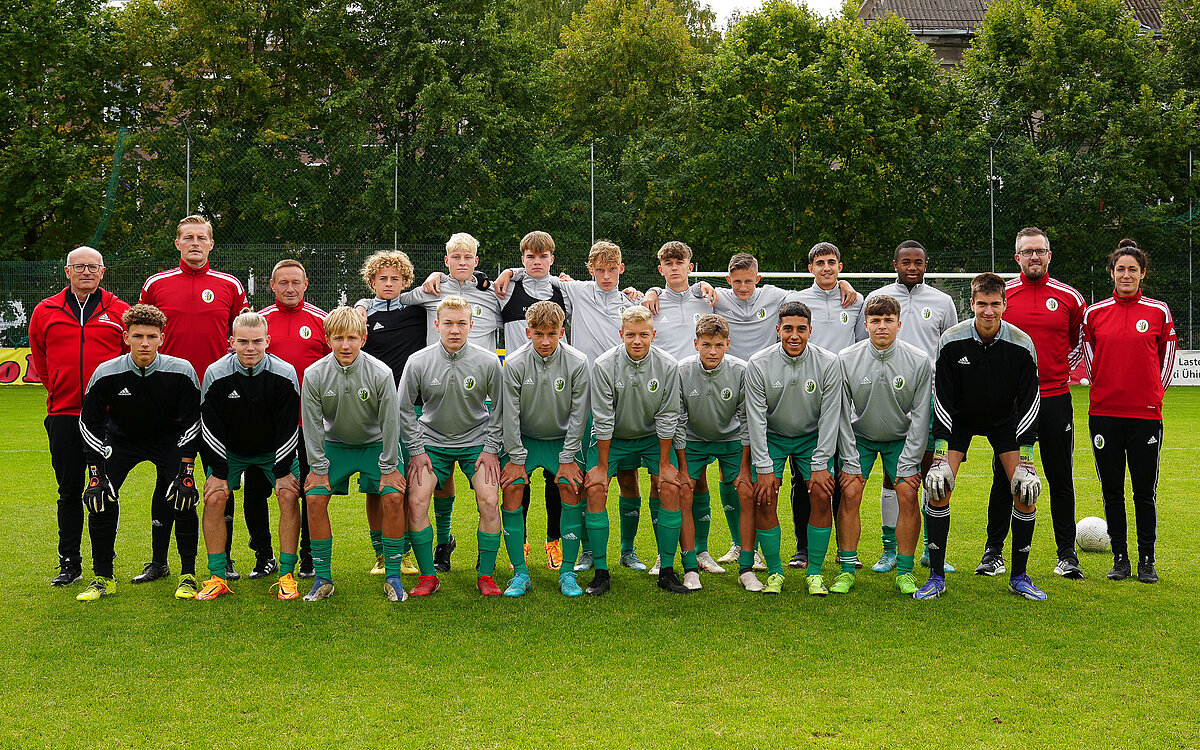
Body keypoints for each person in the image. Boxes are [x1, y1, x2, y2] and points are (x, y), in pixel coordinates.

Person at [918, 273, 1045, 601]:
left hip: (1005, 422)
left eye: (995, 304)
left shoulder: (1021, 344)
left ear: (1005, 304)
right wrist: (941, 455)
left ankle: (1019, 576)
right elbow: (942, 397)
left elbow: (1031, 399)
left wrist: (1027, 461)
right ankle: (936, 575)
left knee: (1025, 491)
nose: (988, 311)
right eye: (982, 304)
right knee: (938, 487)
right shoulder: (951, 340)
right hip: (959, 420)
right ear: (971, 304)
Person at [138, 215, 249, 583]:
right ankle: (159, 560)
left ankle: (226, 559)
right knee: (168, 478)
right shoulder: (156, 284)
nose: (195, 243)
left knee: (222, 480)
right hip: (171, 401)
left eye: (202, 237)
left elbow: (243, 337)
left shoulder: (230, 285)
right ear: (178, 243)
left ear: (212, 244)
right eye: (188, 238)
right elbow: (143, 334)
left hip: (220, 401)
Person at [976, 228, 1087, 580]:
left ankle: (1067, 554)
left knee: (1060, 476)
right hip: (1011, 406)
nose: (1034, 257)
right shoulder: (1003, 294)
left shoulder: (1070, 297)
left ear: (1049, 255)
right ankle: (993, 553)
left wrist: (1053, 374)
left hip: (1055, 400)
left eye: (1040, 251)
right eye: (1027, 252)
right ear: (1017, 258)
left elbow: (1075, 341)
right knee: (1003, 476)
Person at [76, 304, 202, 601]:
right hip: (120, 442)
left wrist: (186, 469)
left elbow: (192, 421)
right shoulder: (107, 372)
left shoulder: (182, 370)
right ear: (125, 337)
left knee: (183, 497)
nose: (144, 343)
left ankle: (186, 574)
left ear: (162, 338)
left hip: (168, 443)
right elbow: (89, 421)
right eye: (138, 336)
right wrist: (95, 473)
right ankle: (103, 577)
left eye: (151, 336)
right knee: (100, 498)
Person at [29, 246, 130, 587]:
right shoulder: (45, 311)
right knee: (69, 490)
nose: (86, 271)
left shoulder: (119, 311)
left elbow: (129, 359)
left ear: (103, 272)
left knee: (107, 489)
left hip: (108, 419)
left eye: (93, 266)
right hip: (64, 414)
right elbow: (41, 359)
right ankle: (69, 563)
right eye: (79, 266)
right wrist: (58, 388)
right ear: (67, 271)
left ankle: (105, 561)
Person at [406, 234, 502, 571]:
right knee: (430, 491)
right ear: (446, 260)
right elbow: (392, 298)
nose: (462, 262)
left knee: (489, 497)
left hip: (479, 415)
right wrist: (361, 306)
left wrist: (513, 273)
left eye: (468, 257)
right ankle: (440, 551)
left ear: (477, 260)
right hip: (436, 419)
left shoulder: (493, 295)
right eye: (455, 257)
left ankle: (486, 566)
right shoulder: (432, 291)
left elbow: (530, 306)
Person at [1082, 241, 1176, 584]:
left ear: (1142, 274)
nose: (1126, 274)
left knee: (1144, 492)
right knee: (1112, 490)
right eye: (1120, 269)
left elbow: (1166, 359)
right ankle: (1120, 559)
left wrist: (1152, 396)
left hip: (1145, 415)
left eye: (1132, 269)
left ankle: (1146, 560)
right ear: (1112, 272)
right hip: (1105, 414)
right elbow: (1090, 361)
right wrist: (1105, 391)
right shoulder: (1094, 314)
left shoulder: (1158, 312)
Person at [863, 240, 960, 574]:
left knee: (930, 473)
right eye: (906, 262)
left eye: (918, 262)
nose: (912, 267)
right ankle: (890, 550)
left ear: (926, 263)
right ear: (895, 264)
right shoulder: (879, 299)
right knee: (893, 478)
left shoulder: (943, 301)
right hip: (890, 399)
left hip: (931, 401)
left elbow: (950, 351)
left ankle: (931, 551)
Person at [398, 296, 504, 597]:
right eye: (448, 324)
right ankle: (428, 577)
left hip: (477, 443)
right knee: (417, 501)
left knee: (489, 500)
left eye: (461, 324)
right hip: (432, 442)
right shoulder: (418, 361)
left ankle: (486, 575)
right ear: (437, 325)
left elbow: (501, 408)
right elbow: (403, 407)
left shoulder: (487, 361)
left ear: (472, 325)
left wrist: (491, 447)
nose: (454, 330)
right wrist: (417, 450)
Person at [301, 307, 407, 602]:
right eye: (338, 338)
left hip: (375, 446)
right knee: (314, 497)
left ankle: (394, 576)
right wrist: (318, 467)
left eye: (351, 338)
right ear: (327, 339)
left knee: (394, 496)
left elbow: (390, 423)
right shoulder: (314, 374)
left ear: (364, 337)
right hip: (336, 446)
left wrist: (389, 467)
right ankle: (322, 578)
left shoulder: (380, 372)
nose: (345, 345)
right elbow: (311, 425)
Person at [196, 313, 304, 601]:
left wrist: (282, 471)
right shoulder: (216, 372)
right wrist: (218, 472)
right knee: (215, 496)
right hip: (230, 452)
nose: (250, 348)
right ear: (231, 342)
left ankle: (287, 575)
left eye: (257, 341)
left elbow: (288, 426)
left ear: (268, 341)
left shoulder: (285, 372)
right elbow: (210, 426)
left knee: (288, 494)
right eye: (242, 341)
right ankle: (217, 576)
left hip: (273, 451)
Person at [585, 305, 688, 595]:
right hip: (613, 438)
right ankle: (602, 572)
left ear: (653, 334)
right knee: (595, 489)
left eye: (644, 334)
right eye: (631, 335)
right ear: (621, 334)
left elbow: (669, 415)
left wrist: (666, 464)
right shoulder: (605, 364)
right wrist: (603, 468)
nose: (637, 341)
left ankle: (667, 570)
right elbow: (603, 419)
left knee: (668, 486)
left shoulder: (668, 365)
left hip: (651, 438)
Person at [834, 295, 932, 596]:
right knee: (849, 492)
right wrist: (849, 458)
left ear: (899, 324)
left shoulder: (919, 360)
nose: (881, 326)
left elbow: (921, 416)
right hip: (860, 438)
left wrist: (909, 459)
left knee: (906, 491)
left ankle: (904, 571)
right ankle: (847, 569)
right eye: (875, 321)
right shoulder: (846, 358)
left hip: (900, 440)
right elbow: (839, 412)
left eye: (888, 320)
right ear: (865, 324)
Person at [745, 301, 841, 595]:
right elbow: (756, 420)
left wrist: (821, 463)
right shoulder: (758, 363)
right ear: (778, 330)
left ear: (811, 330)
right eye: (788, 328)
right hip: (773, 437)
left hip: (811, 438)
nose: (794, 335)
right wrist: (763, 469)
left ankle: (814, 573)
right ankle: (774, 572)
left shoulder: (829, 362)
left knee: (822, 495)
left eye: (801, 329)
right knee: (764, 496)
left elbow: (830, 416)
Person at [499, 301, 590, 597]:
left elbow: (579, 415)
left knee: (569, 486)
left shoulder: (577, 361)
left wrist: (567, 458)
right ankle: (520, 574)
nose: (546, 341)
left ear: (562, 331)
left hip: (562, 442)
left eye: (552, 333)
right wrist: (514, 458)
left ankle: (567, 574)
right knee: (512, 488)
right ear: (528, 332)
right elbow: (509, 415)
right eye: (539, 334)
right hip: (524, 440)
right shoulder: (513, 363)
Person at [244, 260, 329, 580]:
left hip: (308, 424)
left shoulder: (321, 320)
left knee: (310, 489)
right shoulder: (258, 322)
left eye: (296, 282)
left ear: (306, 284)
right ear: (272, 285)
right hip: (262, 425)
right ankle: (263, 555)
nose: (290, 288)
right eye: (283, 283)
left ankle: (307, 555)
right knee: (256, 491)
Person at [784, 242, 867, 571]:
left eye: (832, 262)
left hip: (841, 399)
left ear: (840, 266)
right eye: (820, 263)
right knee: (803, 479)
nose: (826, 268)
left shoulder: (856, 300)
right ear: (810, 269)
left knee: (838, 476)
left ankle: (845, 549)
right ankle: (802, 548)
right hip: (804, 398)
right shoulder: (798, 301)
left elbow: (861, 345)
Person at [496, 231, 570, 574]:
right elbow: (469, 283)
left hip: (556, 394)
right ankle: (520, 540)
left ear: (552, 259)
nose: (536, 261)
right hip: (517, 390)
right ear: (522, 258)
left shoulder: (565, 289)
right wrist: (508, 272)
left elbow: (607, 290)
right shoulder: (506, 288)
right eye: (529, 256)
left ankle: (553, 541)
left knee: (557, 480)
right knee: (517, 477)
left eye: (542, 256)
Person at [354, 250, 427, 578]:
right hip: (374, 410)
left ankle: (406, 552)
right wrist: (360, 306)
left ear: (405, 282)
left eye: (395, 279)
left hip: (412, 409)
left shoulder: (419, 309)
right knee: (375, 485)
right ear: (371, 282)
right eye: (381, 278)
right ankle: (381, 553)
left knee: (410, 483)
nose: (388, 283)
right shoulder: (363, 315)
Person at [677, 314, 756, 590]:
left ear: (728, 344)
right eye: (707, 344)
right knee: (683, 489)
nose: (713, 351)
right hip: (694, 440)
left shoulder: (742, 370)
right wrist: (682, 464)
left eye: (719, 345)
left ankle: (747, 562)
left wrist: (746, 467)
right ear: (696, 343)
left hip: (731, 439)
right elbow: (677, 419)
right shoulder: (681, 370)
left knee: (746, 491)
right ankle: (693, 561)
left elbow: (747, 420)